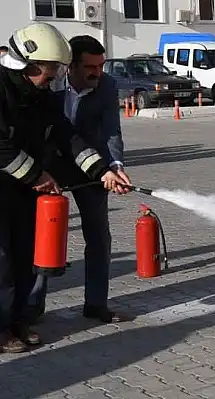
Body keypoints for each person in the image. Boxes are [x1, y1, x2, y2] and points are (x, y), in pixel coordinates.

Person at [0, 22, 126, 352]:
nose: (54, 77)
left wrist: (101, 169)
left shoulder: (39, 95)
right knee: (2, 261)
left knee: (27, 253)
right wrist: (39, 176)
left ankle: (18, 322)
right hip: (8, 185)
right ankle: (2, 329)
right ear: (29, 64)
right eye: (51, 70)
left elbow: (66, 134)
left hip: (25, 189)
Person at [27, 35, 131, 324]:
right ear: (69, 66)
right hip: (50, 165)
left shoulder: (108, 85)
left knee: (99, 236)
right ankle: (33, 307)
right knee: (44, 235)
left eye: (101, 65)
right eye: (90, 66)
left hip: (93, 165)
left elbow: (112, 130)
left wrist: (115, 165)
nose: (97, 73)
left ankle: (96, 304)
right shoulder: (48, 82)